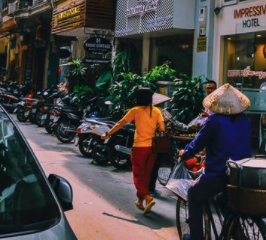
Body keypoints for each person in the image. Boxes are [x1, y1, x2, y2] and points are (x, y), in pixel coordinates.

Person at [179, 84, 252, 240]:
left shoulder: (214, 121)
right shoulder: (245, 120)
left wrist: (185, 153)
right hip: (241, 174)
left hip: (218, 174)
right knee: (223, 198)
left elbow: (198, 143)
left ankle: (196, 237)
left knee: (193, 193)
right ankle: (235, 231)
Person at [102, 87, 165, 214]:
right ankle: (140, 201)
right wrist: (155, 130)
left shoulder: (135, 110)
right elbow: (162, 129)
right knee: (146, 174)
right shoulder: (156, 110)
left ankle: (148, 198)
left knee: (137, 174)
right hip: (152, 148)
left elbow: (120, 123)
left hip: (139, 147)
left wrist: (108, 133)